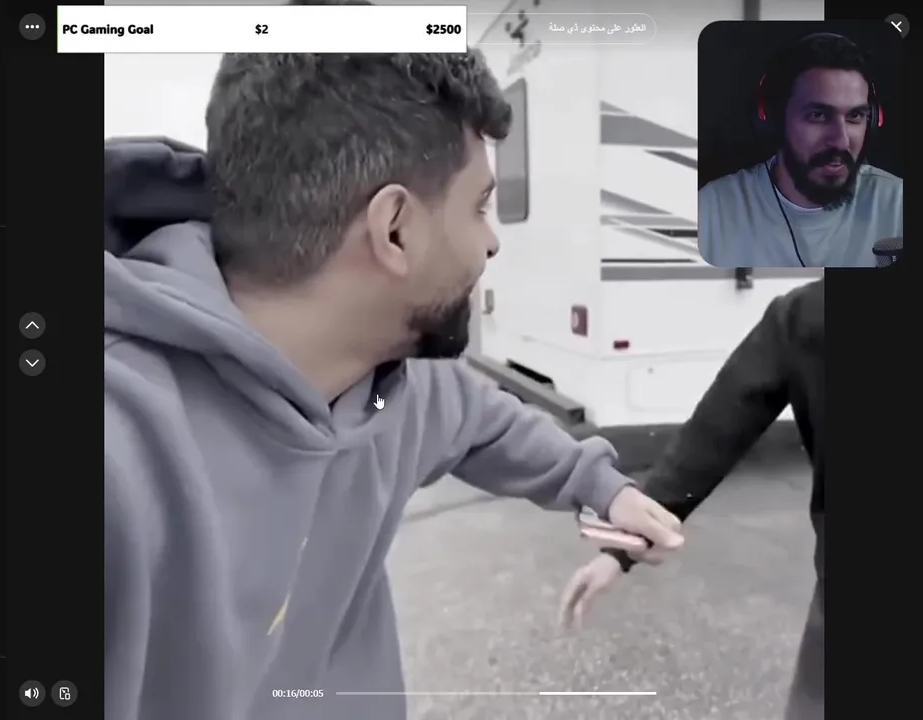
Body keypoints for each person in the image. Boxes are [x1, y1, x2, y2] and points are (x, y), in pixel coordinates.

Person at [103, 3, 685, 717]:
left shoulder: (388, 380)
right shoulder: (118, 461)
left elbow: (484, 421)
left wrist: (601, 487)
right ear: (396, 230)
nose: (492, 242)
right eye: (478, 207)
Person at [559, 279, 824, 719]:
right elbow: (712, 435)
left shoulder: (806, 313)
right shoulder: (803, 316)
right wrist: (621, 547)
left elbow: (712, 433)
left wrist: (621, 550)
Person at [699, 33, 902, 268]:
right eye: (818, 115)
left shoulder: (899, 204)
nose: (841, 141)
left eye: (855, 115)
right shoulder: (710, 212)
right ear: (774, 119)